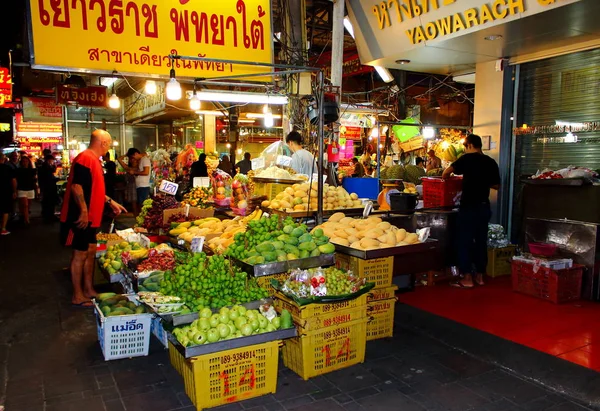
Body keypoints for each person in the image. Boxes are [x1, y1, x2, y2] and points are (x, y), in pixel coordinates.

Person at [60, 130, 127, 307]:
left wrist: (110, 201)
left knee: (90, 251)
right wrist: (83, 211)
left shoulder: (93, 160)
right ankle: (78, 295)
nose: (109, 148)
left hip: (91, 217)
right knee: (79, 254)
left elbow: (94, 188)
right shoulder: (85, 158)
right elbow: (76, 187)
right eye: (109, 144)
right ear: (103, 143)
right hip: (81, 217)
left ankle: (89, 290)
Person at [442, 134, 500, 289]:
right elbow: (496, 186)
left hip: (468, 207)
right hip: (483, 207)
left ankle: (467, 277)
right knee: (481, 241)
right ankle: (480, 276)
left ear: (468, 145)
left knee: (464, 242)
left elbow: (446, 173)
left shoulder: (466, 159)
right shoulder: (490, 162)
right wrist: (482, 181)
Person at [16, 155, 37, 225]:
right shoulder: (18, 170)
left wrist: (37, 190)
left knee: (28, 206)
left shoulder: (32, 170)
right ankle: (26, 220)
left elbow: (35, 181)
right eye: (23, 161)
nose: (25, 163)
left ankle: (24, 216)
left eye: (26, 161)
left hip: (30, 189)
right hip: (21, 189)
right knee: (25, 205)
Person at [38, 154, 59, 222]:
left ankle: (47, 214)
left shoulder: (43, 166)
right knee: (50, 201)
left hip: (46, 186)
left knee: (47, 201)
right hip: (49, 187)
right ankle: (49, 215)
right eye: (52, 160)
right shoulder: (46, 167)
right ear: (49, 160)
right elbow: (51, 174)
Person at [0, 153, 17, 235]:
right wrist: (14, 191)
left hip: (5, 191)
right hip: (5, 191)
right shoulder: (7, 168)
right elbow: (13, 180)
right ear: (3, 159)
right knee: (5, 210)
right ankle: (3, 228)